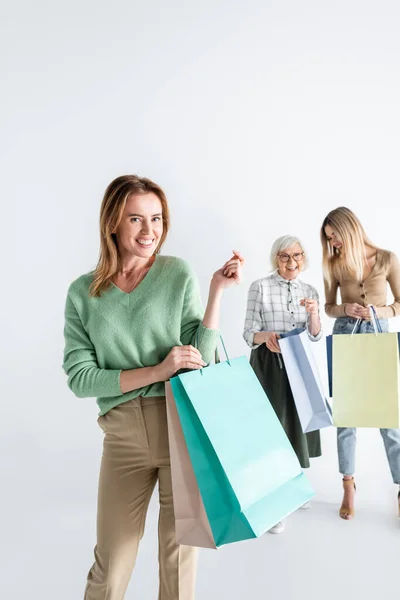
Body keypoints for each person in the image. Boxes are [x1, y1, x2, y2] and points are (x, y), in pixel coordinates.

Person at [63, 174, 244, 600]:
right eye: (136, 220)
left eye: (157, 219)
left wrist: (216, 293)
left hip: (180, 426)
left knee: (178, 563)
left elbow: (196, 360)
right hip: (122, 436)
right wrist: (157, 370)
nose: (149, 232)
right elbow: (79, 378)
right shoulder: (82, 294)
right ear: (113, 223)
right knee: (111, 565)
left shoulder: (176, 273)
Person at [321, 206, 400, 520]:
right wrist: (346, 309)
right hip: (346, 338)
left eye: (335, 236)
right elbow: (329, 307)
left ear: (349, 229)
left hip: (380, 338)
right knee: (347, 419)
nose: (333, 243)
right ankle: (348, 484)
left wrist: (377, 312)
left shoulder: (387, 259)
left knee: (389, 420)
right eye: (329, 239)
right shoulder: (334, 264)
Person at [243, 235, 322, 534]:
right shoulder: (260, 287)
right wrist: (268, 337)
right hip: (269, 365)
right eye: (285, 257)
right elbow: (248, 332)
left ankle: (294, 486)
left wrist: (314, 314)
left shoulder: (310, 289)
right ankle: (276, 503)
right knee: (273, 429)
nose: (292, 263)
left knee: (298, 425)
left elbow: (315, 336)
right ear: (275, 258)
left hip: (300, 363)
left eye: (297, 256)